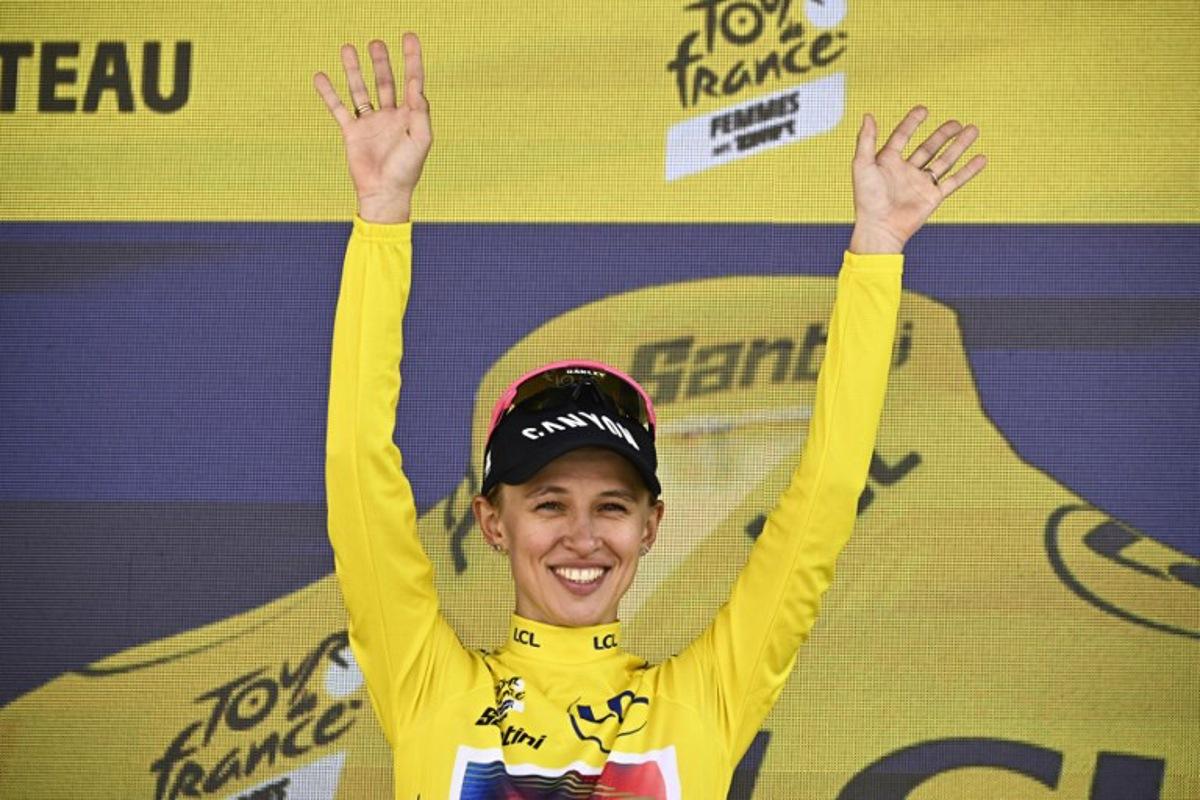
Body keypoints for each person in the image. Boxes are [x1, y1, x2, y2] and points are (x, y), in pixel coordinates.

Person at [315, 32, 985, 798]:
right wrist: (382, 217)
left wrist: (878, 249)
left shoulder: (704, 701)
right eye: (547, 503)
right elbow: (358, 469)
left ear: (651, 526)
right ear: (492, 522)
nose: (583, 535)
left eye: (612, 505)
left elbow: (825, 497)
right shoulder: (427, 684)